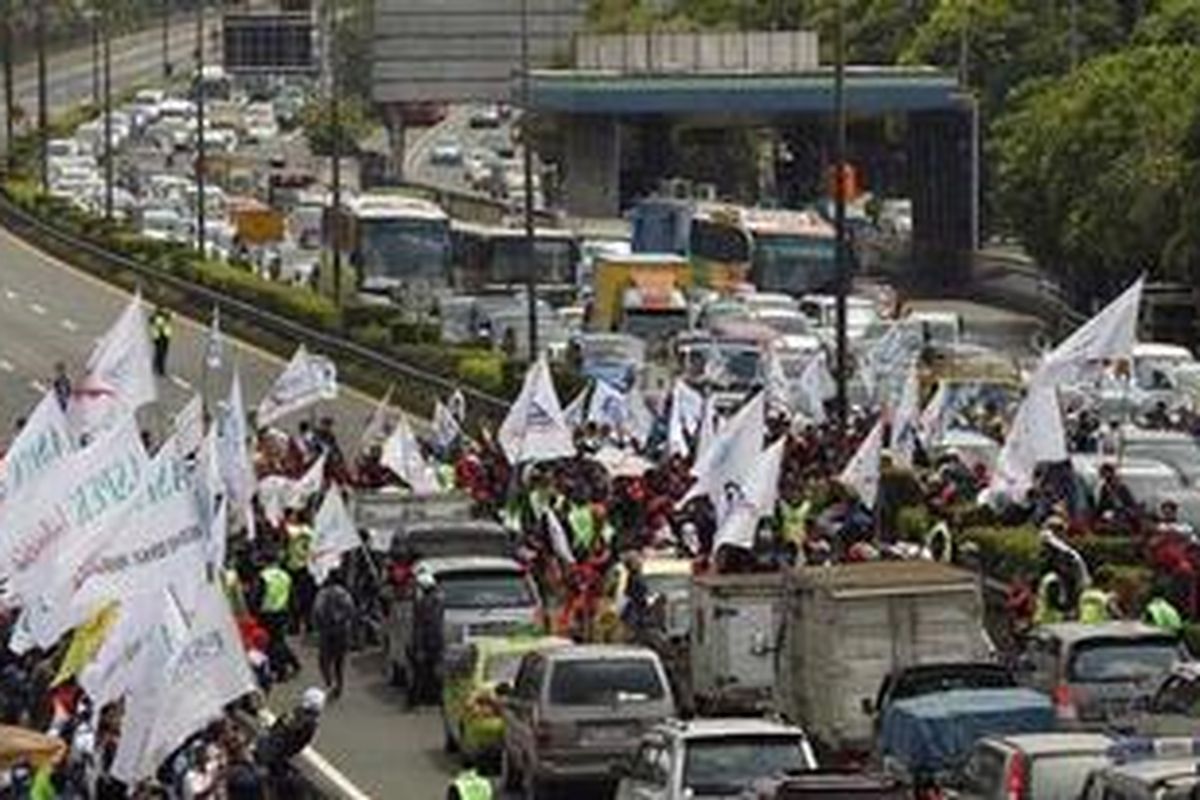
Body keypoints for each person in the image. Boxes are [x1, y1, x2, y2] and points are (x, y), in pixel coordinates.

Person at [254, 687, 324, 787]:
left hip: (267, 742)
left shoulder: (296, 710)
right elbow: (296, 743)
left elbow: (278, 723)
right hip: (273, 753)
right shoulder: (310, 723)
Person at [312, 569, 356, 699]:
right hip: (342, 631)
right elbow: (351, 610)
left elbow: (317, 611)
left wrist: (317, 628)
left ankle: (330, 683)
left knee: (324, 661)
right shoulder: (345, 594)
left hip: (327, 632)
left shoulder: (323, 594)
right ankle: (339, 685)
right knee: (339, 662)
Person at [257, 554, 300, 681]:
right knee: (278, 640)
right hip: (282, 612)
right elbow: (292, 595)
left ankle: (282, 670)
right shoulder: (285, 576)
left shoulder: (264, 576)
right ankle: (289, 665)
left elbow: (258, 595)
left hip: (267, 613)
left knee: (273, 642)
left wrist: (255, 611)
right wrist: (294, 615)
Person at [410, 571, 444, 707]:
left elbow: (421, 626)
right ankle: (431, 697)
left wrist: (419, 647)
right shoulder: (438, 600)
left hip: (428, 641)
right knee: (432, 671)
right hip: (435, 641)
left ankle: (416, 700)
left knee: (422, 672)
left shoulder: (425, 603)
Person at [149, 306, 173, 377]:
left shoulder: (162, 319)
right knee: (160, 353)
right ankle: (159, 369)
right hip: (160, 338)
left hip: (164, 338)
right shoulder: (159, 319)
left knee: (161, 353)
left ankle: (157, 367)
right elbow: (160, 328)